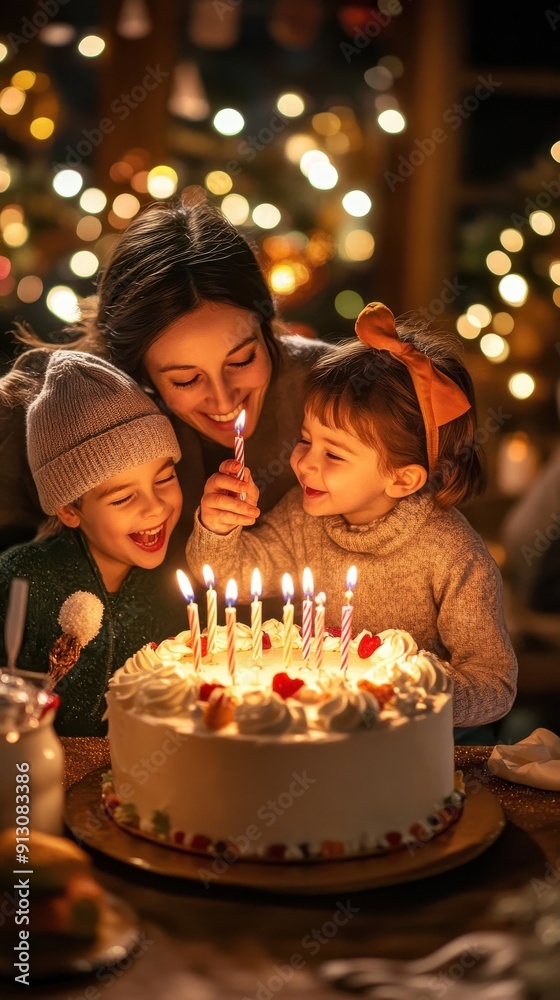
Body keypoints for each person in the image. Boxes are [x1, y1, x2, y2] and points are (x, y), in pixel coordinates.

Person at [186, 301, 518, 733]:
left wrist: (404, 697)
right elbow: (231, 573)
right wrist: (218, 524)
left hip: (407, 758)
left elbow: (493, 683)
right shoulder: (302, 518)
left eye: (334, 454)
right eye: (306, 440)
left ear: (402, 479)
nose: (304, 464)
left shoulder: (453, 555)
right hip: (312, 740)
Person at [0, 198, 329, 603]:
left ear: (267, 328)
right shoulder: (88, 416)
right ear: (140, 376)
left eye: (242, 359)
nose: (224, 398)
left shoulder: (333, 387)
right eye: (187, 379)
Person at [0, 351, 185, 736]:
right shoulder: (19, 579)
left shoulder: (180, 582)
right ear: (69, 510)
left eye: (164, 479)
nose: (155, 507)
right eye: (122, 498)